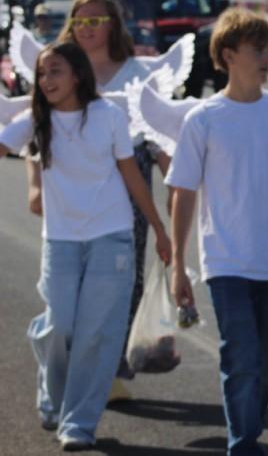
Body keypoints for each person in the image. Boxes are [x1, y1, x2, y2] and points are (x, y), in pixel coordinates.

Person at [166, 8, 268, 456]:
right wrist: (179, 265)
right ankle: (243, 443)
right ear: (227, 55)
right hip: (226, 262)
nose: (266, 58)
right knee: (240, 356)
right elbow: (182, 194)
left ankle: (248, 427)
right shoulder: (202, 119)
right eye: (257, 49)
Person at [0, 42, 171, 451]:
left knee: (96, 333)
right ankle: (51, 388)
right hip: (61, 240)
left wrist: (159, 228)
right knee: (61, 323)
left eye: (55, 71)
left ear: (77, 74)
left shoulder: (107, 115)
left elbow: (130, 174)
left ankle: (78, 422)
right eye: (42, 74)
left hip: (111, 237)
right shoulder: (35, 121)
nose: (46, 80)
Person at [27, 0, 174, 394]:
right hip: (69, 189)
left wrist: (174, 182)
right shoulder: (56, 68)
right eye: (81, 20)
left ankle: (108, 372)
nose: (87, 28)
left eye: (96, 20)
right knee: (66, 294)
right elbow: (35, 128)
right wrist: (35, 185)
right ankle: (62, 370)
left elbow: (159, 132)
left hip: (127, 181)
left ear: (113, 25)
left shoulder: (139, 73)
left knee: (123, 282)